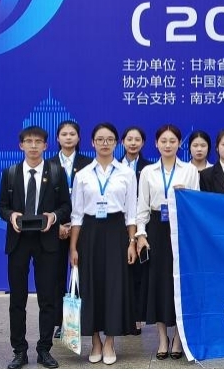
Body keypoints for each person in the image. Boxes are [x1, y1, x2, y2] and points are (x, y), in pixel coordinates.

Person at [0, 126, 71, 369]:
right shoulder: (10, 173)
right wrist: (11, 216)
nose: (33, 145)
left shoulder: (56, 172)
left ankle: (44, 349)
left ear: (46, 146)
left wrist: (53, 216)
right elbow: (2, 207)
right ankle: (19, 350)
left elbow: (66, 206)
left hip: (46, 241)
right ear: (21, 145)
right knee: (17, 299)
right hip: (18, 242)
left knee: (47, 298)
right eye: (28, 141)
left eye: (38, 141)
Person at [69, 123, 137, 365]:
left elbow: (131, 213)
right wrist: (73, 247)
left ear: (116, 143)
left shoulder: (126, 173)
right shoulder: (83, 175)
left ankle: (109, 341)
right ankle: (95, 340)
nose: (105, 143)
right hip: (90, 233)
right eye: (100, 139)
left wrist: (131, 242)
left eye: (109, 139)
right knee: (91, 285)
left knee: (114, 286)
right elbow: (77, 215)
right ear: (92, 143)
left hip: (116, 231)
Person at [136, 125, 201, 360]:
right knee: (158, 283)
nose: (168, 145)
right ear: (156, 144)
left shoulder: (190, 170)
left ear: (179, 144)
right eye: (163, 141)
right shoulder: (148, 172)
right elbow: (142, 206)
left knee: (179, 284)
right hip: (156, 228)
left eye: (172, 141)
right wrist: (141, 234)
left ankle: (178, 338)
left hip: (181, 227)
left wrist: (185, 196)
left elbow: (196, 204)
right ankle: (163, 337)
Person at [46, 120, 92, 339]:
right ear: (57, 138)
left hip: (82, 227)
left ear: (79, 137)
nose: (68, 137)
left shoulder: (89, 164)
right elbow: (43, 200)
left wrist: (74, 226)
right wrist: (57, 224)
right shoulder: (48, 164)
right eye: (64, 134)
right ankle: (60, 322)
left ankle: (81, 320)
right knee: (55, 277)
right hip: (54, 227)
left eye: (72, 134)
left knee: (81, 274)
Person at [121, 126, 149, 337]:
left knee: (138, 272)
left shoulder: (148, 168)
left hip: (140, 224)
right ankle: (122, 315)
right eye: (129, 139)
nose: (133, 143)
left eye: (137, 139)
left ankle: (137, 317)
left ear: (143, 143)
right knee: (121, 272)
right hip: (117, 224)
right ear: (122, 142)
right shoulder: (115, 166)